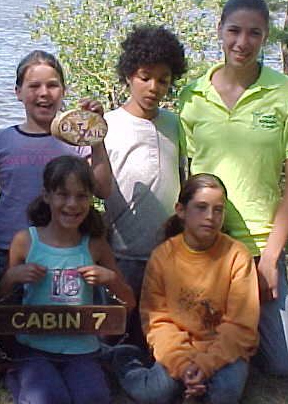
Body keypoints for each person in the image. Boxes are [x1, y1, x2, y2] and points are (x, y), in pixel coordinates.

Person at [179, 0, 288, 376]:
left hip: (260, 244)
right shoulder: (193, 96)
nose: (242, 42)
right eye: (234, 31)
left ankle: (241, 328)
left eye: (254, 33)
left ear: (266, 36)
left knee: (283, 366)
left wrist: (270, 259)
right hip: (207, 241)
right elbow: (185, 179)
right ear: (219, 30)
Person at [112, 173, 260, 404]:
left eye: (218, 210)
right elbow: (157, 320)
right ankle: (125, 358)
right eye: (201, 207)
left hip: (223, 350)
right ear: (181, 210)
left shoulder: (237, 256)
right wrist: (182, 365)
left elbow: (241, 325)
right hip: (178, 348)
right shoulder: (162, 257)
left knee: (224, 395)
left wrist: (205, 365)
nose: (210, 217)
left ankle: (197, 385)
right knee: (155, 394)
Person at [0, 155, 135, 404]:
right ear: (47, 195)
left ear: (91, 198)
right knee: (49, 398)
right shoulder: (26, 241)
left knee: (93, 397)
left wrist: (110, 279)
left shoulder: (95, 245)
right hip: (33, 348)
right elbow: (0, 301)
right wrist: (11, 277)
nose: (72, 204)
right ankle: (17, 377)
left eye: (81, 196)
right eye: (63, 194)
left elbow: (129, 303)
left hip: (82, 350)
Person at [0, 50, 112, 270]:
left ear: (64, 91)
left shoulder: (77, 142)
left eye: (52, 85)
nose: (44, 93)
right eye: (34, 86)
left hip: (65, 250)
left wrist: (96, 132)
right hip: (7, 248)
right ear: (18, 92)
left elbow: (103, 190)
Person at [104, 25, 187, 348]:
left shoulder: (175, 125)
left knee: (155, 334)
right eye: (145, 77)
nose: (154, 87)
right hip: (121, 253)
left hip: (166, 253)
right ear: (128, 75)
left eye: (163, 80)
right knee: (116, 332)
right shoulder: (109, 126)